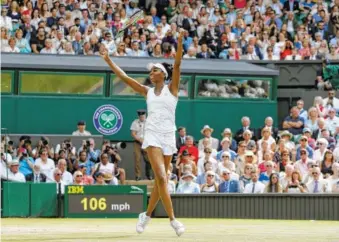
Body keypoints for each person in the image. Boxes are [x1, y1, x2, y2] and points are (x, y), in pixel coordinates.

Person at [101, 30, 185, 236]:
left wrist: (180, 41)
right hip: (153, 136)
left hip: (168, 136)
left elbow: (177, 65)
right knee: (163, 178)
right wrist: (108, 60)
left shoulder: (172, 89)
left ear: (163, 75)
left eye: (154, 70)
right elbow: (124, 77)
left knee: (160, 181)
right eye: (151, 70)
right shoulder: (147, 91)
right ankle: (173, 220)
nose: (151, 72)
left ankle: (146, 216)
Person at [130, 109, 152, 180]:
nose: (142, 118)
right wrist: (139, 139)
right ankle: (138, 175)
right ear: (138, 116)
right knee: (137, 159)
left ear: (145, 116)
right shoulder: (135, 122)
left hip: (146, 143)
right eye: (141, 117)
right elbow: (133, 134)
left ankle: (148, 174)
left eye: (143, 116)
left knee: (149, 160)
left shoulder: (149, 122)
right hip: (137, 143)